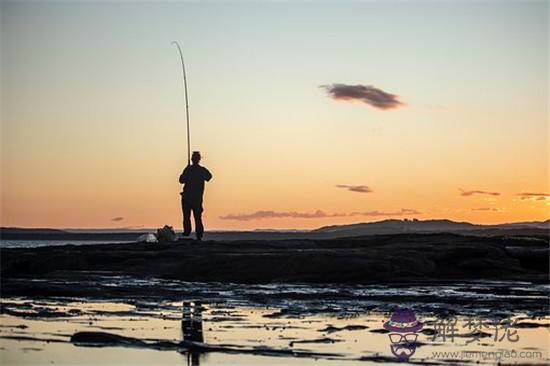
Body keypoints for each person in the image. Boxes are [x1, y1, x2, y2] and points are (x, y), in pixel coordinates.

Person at [179, 151, 212, 240]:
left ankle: (187, 232)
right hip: (197, 198)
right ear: (199, 159)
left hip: (187, 198)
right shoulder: (201, 170)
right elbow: (209, 177)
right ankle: (199, 235)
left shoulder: (189, 169)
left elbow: (181, 180)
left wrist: (187, 170)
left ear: (192, 159)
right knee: (197, 217)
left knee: (187, 216)